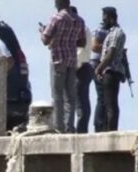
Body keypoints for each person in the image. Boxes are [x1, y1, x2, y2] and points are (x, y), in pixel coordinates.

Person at [41, 0, 87, 133]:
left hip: (57, 59)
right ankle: (69, 127)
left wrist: (43, 31)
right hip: (71, 60)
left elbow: (45, 40)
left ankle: (58, 127)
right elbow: (82, 42)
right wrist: (69, 40)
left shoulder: (56, 18)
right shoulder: (79, 20)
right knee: (70, 97)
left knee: (57, 95)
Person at [94, 7, 126, 132]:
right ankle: (109, 129)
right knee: (109, 104)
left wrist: (99, 68)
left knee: (110, 105)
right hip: (111, 71)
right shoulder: (112, 32)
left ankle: (111, 131)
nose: (103, 20)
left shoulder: (116, 33)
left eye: (105, 17)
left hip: (111, 72)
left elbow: (111, 54)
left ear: (111, 18)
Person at [71, 6, 94, 134]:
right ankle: (80, 129)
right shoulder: (81, 28)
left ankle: (81, 130)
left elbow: (80, 53)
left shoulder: (81, 29)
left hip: (81, 67)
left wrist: (71, 67)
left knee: (81, 103)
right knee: (81, 101)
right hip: (82, 67)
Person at [90, 21, 110, 132]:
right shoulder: (100, 30)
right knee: (102, 96)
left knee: (105, 97)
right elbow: (94, 46)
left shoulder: (110, 32)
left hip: (102, 64)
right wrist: (109, 47)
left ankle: (103, 124)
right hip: (98, 63)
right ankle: (99, 124)